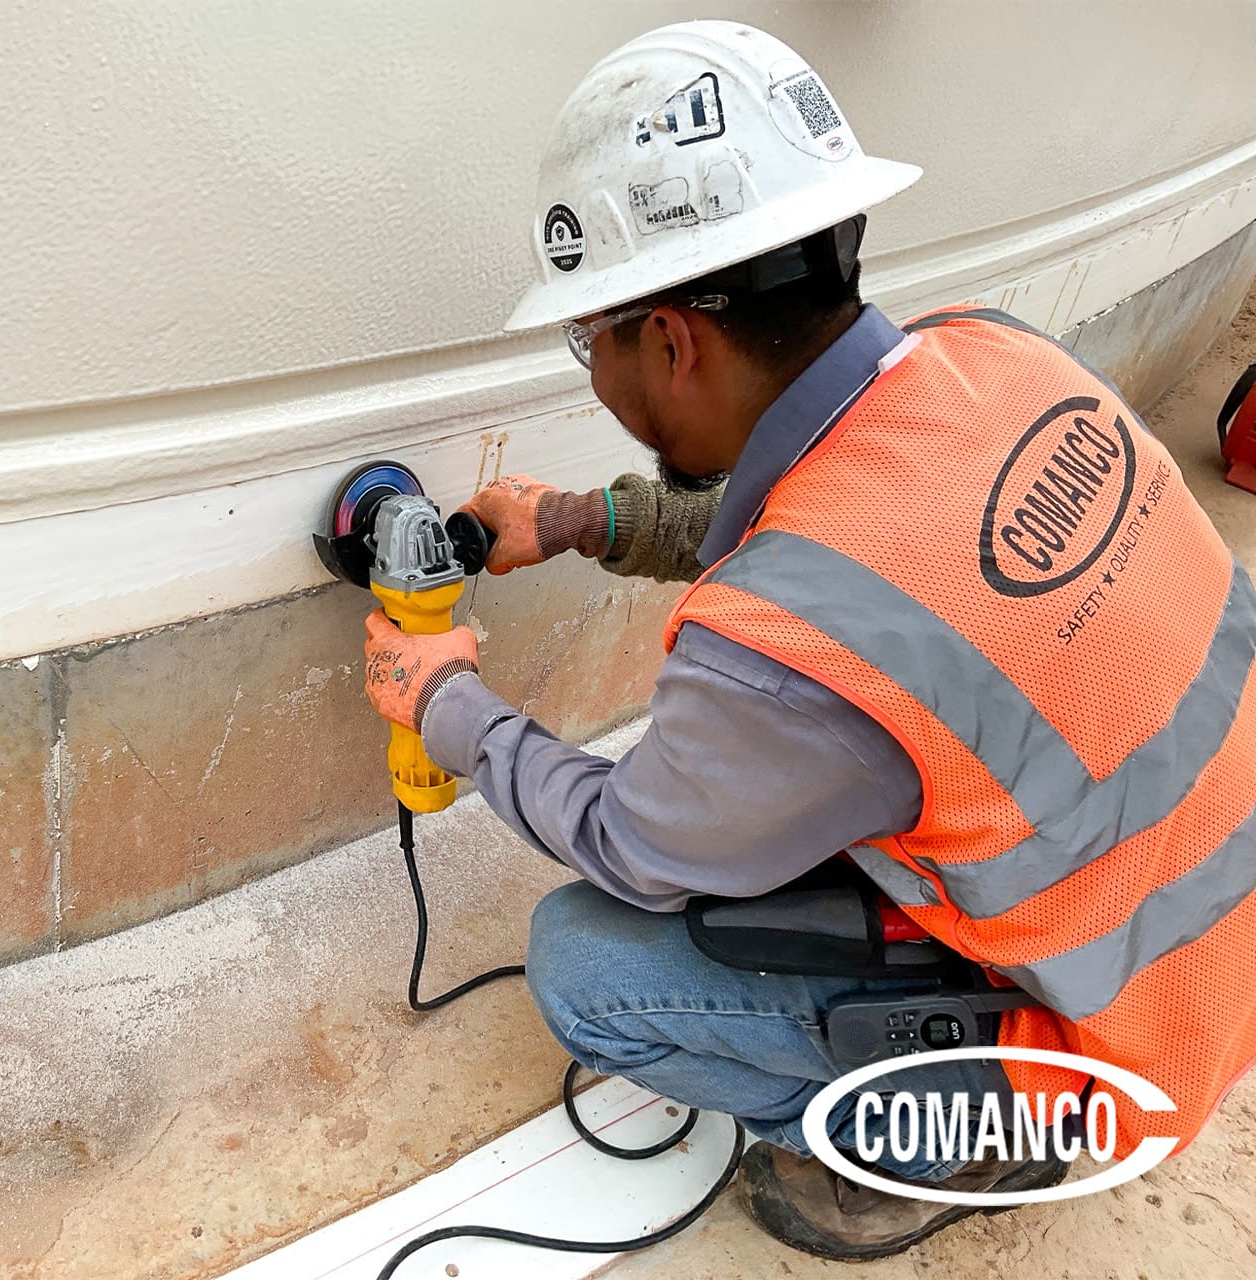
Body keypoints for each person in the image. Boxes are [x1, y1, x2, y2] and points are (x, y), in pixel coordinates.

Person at [361, 20, 1256, 1260]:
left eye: (588, 339)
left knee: (586, 964)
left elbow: (634, 844)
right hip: (1207, 926)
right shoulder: (987, 354)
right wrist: (581, 521)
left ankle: (948, 1140)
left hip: (1131, 1051)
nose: (591, 371)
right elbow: (841, 528)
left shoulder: (781, 658)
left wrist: (449, 704)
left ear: (670, 340)